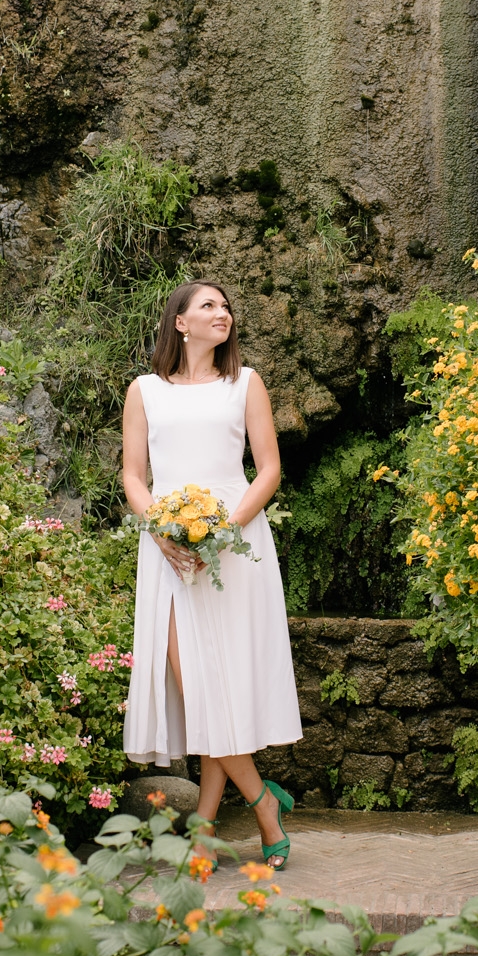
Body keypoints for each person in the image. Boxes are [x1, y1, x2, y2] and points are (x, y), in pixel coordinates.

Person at [121, 280, 304, 868]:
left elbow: (269, 470)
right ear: (180, 322)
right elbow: (133, 477)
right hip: (168, 549)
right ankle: (262, 801)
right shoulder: (144, 391)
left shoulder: (245, 384)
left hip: (236, 543)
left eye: (226, 306)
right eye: (209, 306)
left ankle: (202, 825)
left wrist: (223, 532)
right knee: (193, 684)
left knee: (221, 684)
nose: (222, 313)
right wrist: (162, 528)